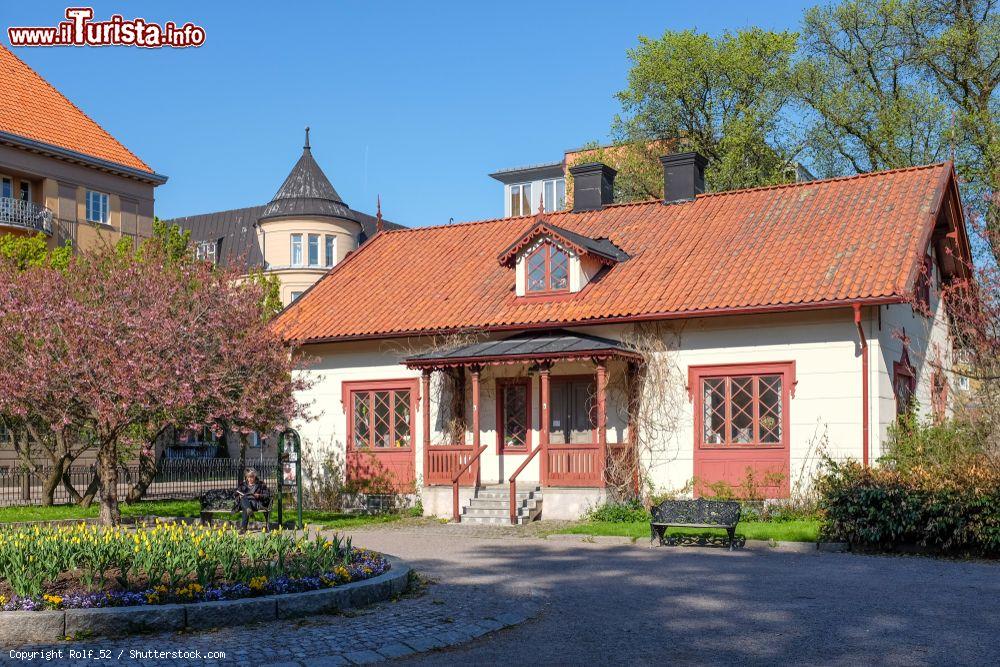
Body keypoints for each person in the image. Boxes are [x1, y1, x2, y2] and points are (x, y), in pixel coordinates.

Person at [236, 468, 270, 533]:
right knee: (243, 498)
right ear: (246, 477)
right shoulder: (243, 485)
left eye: (252, 477)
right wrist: (239, 496)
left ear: (255, 476)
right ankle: (249, 509)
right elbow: (236, 494)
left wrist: (259, 495)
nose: (250, 479)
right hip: (245, 503)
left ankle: (243, 529)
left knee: (245, 507)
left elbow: (267, 495)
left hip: (256, 503)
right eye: (248, 477)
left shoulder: (261, 484)